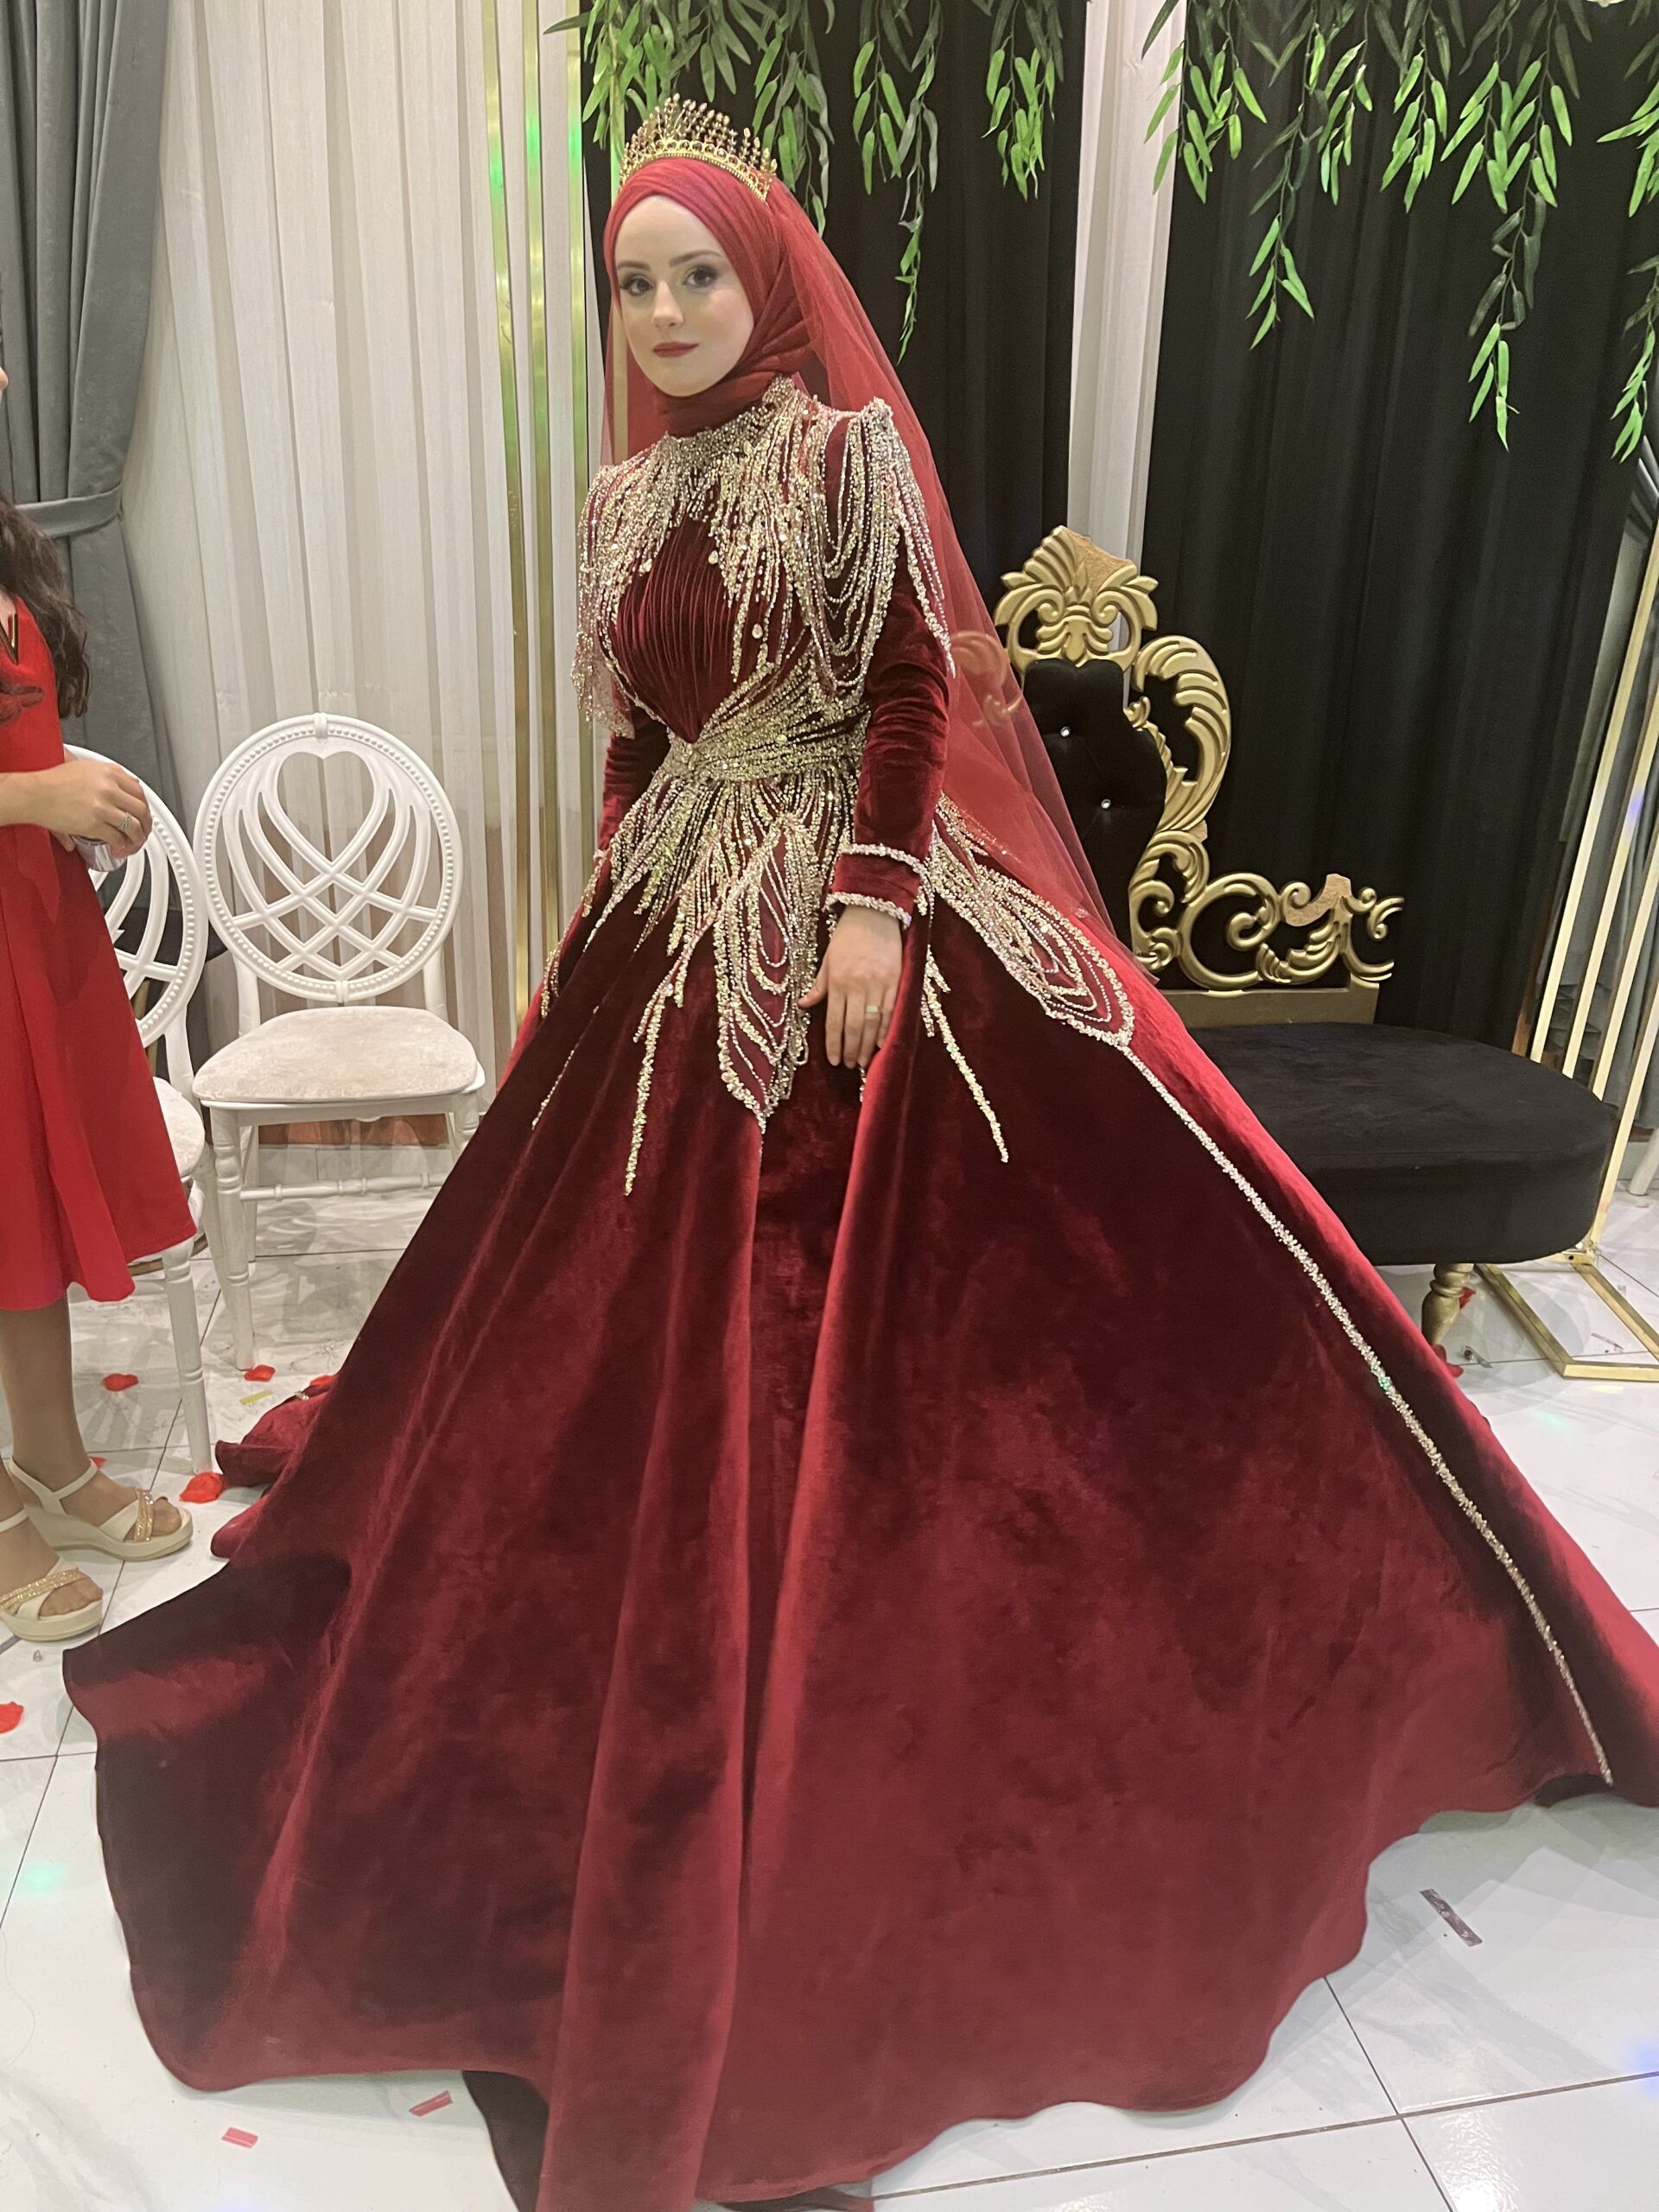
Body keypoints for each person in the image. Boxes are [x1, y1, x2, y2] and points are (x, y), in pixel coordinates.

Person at [66, 99, 1659, 2212]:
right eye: (635, 282)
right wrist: (604, 904)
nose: (664, 310)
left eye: (696, 274)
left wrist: (877, 904)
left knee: (1045, 1272)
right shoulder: (621, 499)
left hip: (854, 907)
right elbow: (636, 738)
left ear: (765, 283)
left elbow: (913, 684)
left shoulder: (844, 459)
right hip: (673, 920)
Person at [0, 364, 194, 1642]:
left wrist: (54, 777)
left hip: (32, 935)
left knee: (24, 1222)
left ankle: (53, 1466)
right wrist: (31, 796)